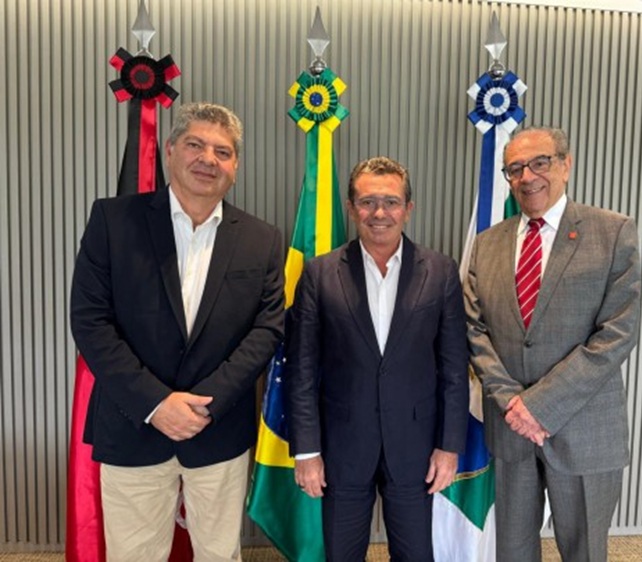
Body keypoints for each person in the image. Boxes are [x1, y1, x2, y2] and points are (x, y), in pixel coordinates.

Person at [70, 102, 285, 562]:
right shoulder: (113, 221)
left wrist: (205, 405)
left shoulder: (262, 239)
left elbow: (266, 330)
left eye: (223, 151)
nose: (208, 159)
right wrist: (156, 403)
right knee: (133, 555)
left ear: (236, 166)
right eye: (195, 145)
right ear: (169, 150)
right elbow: (90, 320)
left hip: (218, 429)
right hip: (133, 424)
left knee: (219, 554)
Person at [464, 127, 641, 562]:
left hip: (585, 430)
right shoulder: (487, 244)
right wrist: (513, 404)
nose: (527, 177)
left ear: (566, 164)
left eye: (539, 162)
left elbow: (617, 332)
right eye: (515, 169)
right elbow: (475, 330)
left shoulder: (612, 232)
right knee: (513, 551)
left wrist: (539, 406)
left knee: (584, 552)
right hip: (511, 429)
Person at [285, 157, 469, 561]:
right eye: (368, 202)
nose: (379, 213)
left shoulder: (440, 272)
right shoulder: (319, 274)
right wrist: (307, 451)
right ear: (351, 208)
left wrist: (449, 446)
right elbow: (301, 370)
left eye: (391, 202)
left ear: (408, 208)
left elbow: (455, 369)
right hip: (341, 447)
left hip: (416, 448)